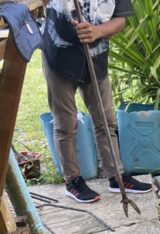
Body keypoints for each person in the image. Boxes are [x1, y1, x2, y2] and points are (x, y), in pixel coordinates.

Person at [41, 0, 152, 203]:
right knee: (66, 124)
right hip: (60, 58)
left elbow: (120, 20)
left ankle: (116, 177)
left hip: (95, 58)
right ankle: (73, 181)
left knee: (106, 121)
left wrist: (97, 31)